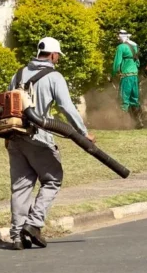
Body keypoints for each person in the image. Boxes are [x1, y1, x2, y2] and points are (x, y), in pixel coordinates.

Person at [6, 36, 96, 250]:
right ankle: (34, 224)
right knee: (53, 178)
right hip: (38, 136)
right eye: (58, 57)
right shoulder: (54, 76)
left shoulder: (17, 74)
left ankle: (17, 235)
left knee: (21, 186)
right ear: (54, 55)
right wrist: (83, 133)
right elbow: (67, 107)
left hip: (14, 137)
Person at [112, 29, 144, 129]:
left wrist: (113, 74)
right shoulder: (134, 46)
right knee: (134, 99)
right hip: (134, 76)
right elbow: (138, 63)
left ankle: (123, 124)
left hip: (126, 76)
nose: (117, 37)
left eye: (118, 36)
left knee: (123, 99)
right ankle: (139, 122)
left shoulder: (121, 47)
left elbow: (117, 63)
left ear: (121, 37)